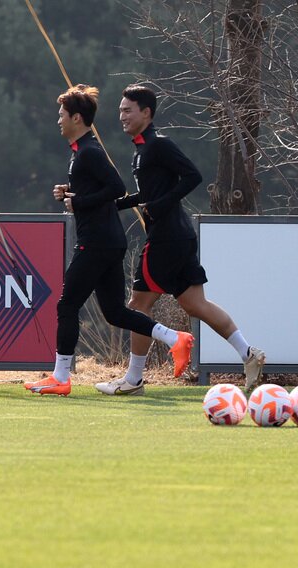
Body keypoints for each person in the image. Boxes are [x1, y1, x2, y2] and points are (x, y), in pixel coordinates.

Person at [94, 84, 266, 396]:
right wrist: (111, 204)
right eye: (120, 110)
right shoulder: (142, 151)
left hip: (167, 238)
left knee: (137, 305)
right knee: (194, 303)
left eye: (127, 110)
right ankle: (249, 354)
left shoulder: (158, 145)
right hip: (179, 236)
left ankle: (133, 380)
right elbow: (147, 196)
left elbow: (193, 176)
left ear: (146, 113)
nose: (121, 116)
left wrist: (160, 205)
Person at [26, 84, 191, 396]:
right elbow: (100, 192)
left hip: (97, 242)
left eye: (61, 115)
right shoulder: (82, 152)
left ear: (77, 118)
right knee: (115, 312)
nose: (58, 121)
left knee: (66, 304)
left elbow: (115, 187)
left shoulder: (89, 151)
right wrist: (73, 194)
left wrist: (80, 202)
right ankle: (173, 338)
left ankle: (60, 378)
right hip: (107, 241)